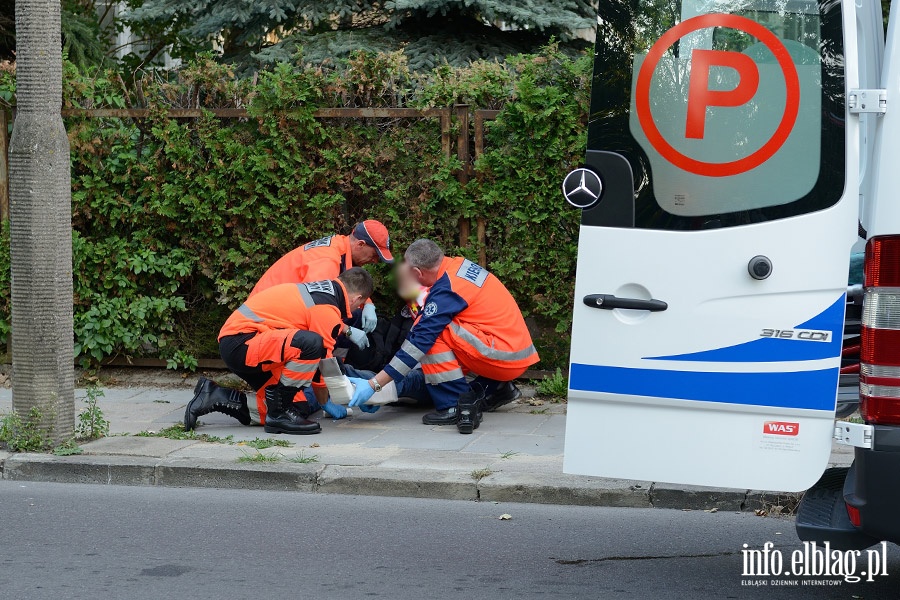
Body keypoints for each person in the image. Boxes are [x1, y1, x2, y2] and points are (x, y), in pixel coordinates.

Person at [347, 239, 539, 434]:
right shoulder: (456, 265)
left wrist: (375, 384)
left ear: (417, 273)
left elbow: (420, 341)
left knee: (430, 332)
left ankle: (452, 405)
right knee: (431, 329)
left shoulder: (446, 290)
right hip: (512, 351)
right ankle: (493, 388)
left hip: (503, 355)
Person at [184, 267, 374, 434]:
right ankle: (279, 414)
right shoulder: (327, 307)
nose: (357, 309)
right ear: (357, 298)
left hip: (247, 343)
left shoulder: (325, 291)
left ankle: (216, 396)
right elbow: (323, 364)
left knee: (298, 408)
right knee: (311, 344)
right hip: (242, 343)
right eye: (360, 305)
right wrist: (326, 402)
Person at [251, 220, 394, 346]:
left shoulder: (340, 248)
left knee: (353, 313)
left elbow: (350, 286)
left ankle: (334, 368)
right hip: (263, 324)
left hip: (275, 312)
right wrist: (347, 331)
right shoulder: (327, 261)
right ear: (360, 244)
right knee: (340, 321)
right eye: (374, 255)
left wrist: (368, 304)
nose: (375, 261)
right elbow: (318, 307)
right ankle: (329, 370)